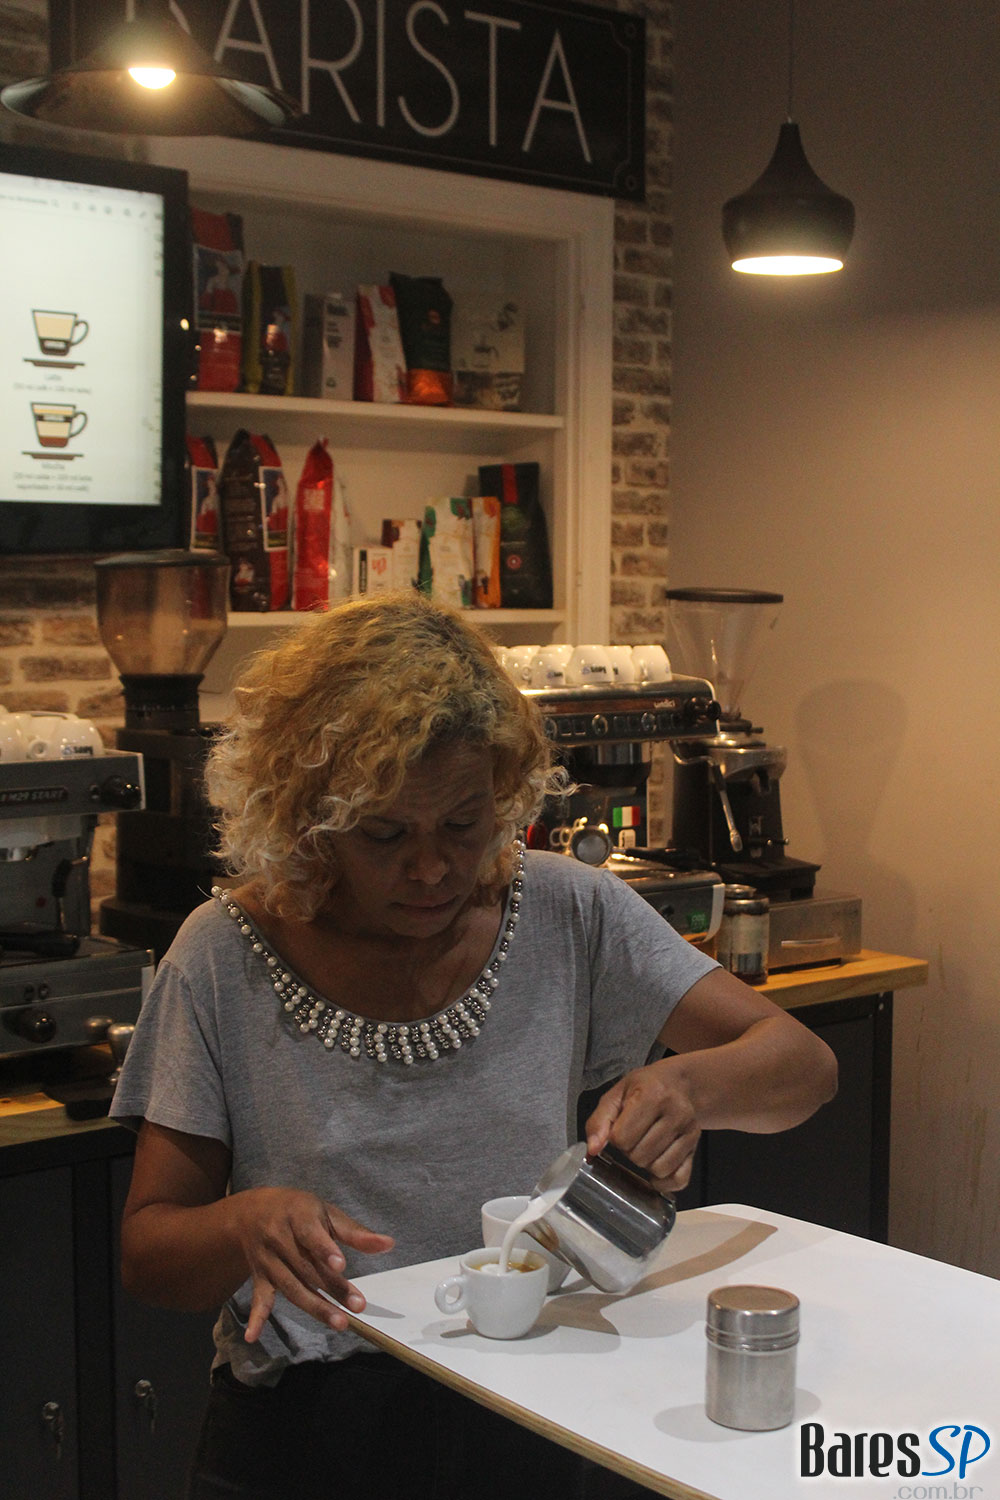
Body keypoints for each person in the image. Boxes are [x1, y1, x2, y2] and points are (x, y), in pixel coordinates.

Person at [111, 591, 837, 1500]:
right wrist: (240, 1224)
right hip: (304, 1431)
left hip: (523, 1408)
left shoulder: (567, 910)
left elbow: (804, 1068)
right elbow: (149, 1254)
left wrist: (690, 1089)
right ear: (309, 814)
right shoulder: (224, 953)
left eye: (463, 824)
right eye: (384, 833)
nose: (431, 868)